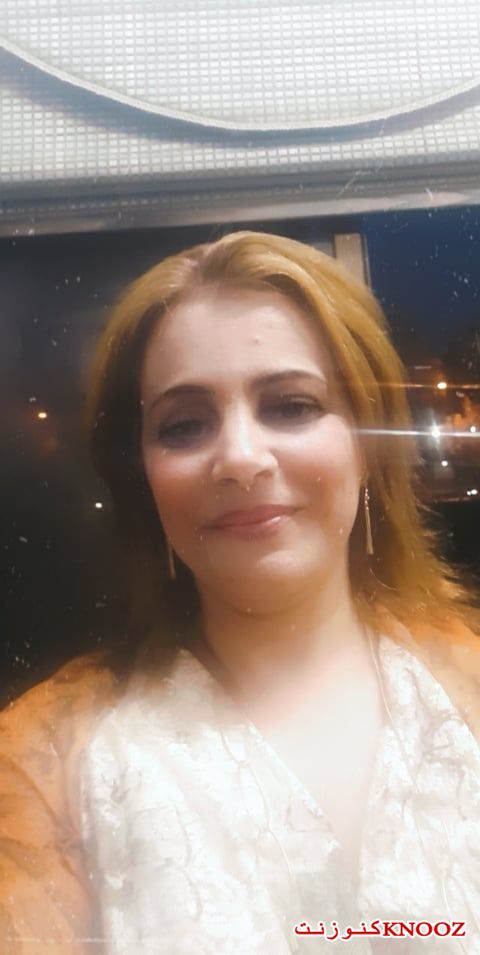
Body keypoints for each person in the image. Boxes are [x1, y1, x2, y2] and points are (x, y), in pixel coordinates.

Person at [0, 230, 479, 955]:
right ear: (143, 479)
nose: (241, 458)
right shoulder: (44, 765)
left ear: (366, 445)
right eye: (185, 425)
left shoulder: (466, 691)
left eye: (290, 406)